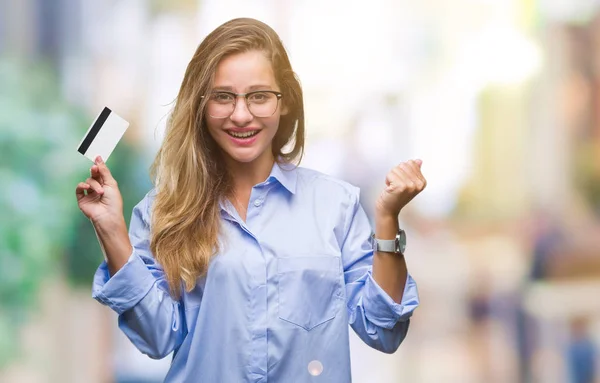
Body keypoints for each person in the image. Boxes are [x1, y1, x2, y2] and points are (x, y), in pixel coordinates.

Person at [75, 18, 425, 382]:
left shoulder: (336, 205)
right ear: (201, 105)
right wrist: (111, 230)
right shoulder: (163, 210)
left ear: (285, 101)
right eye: (223, 96)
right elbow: (156, 337)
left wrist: (388, 219)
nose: (241, 115)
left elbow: (382, 331)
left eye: (259, 96)